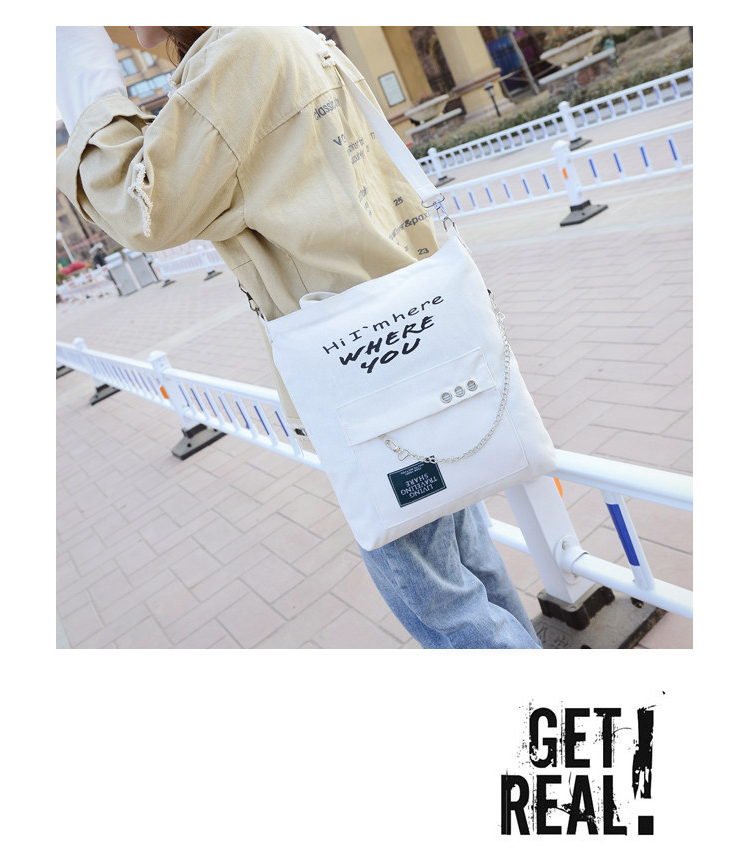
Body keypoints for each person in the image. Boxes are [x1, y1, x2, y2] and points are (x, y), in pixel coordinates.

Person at [56, 26, 542, 649]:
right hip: (404, 338)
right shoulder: (275, 35)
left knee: (438, 600)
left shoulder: (237, 56)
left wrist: (84, 67)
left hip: (362, 370)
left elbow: (144, 210)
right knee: (466, 560)